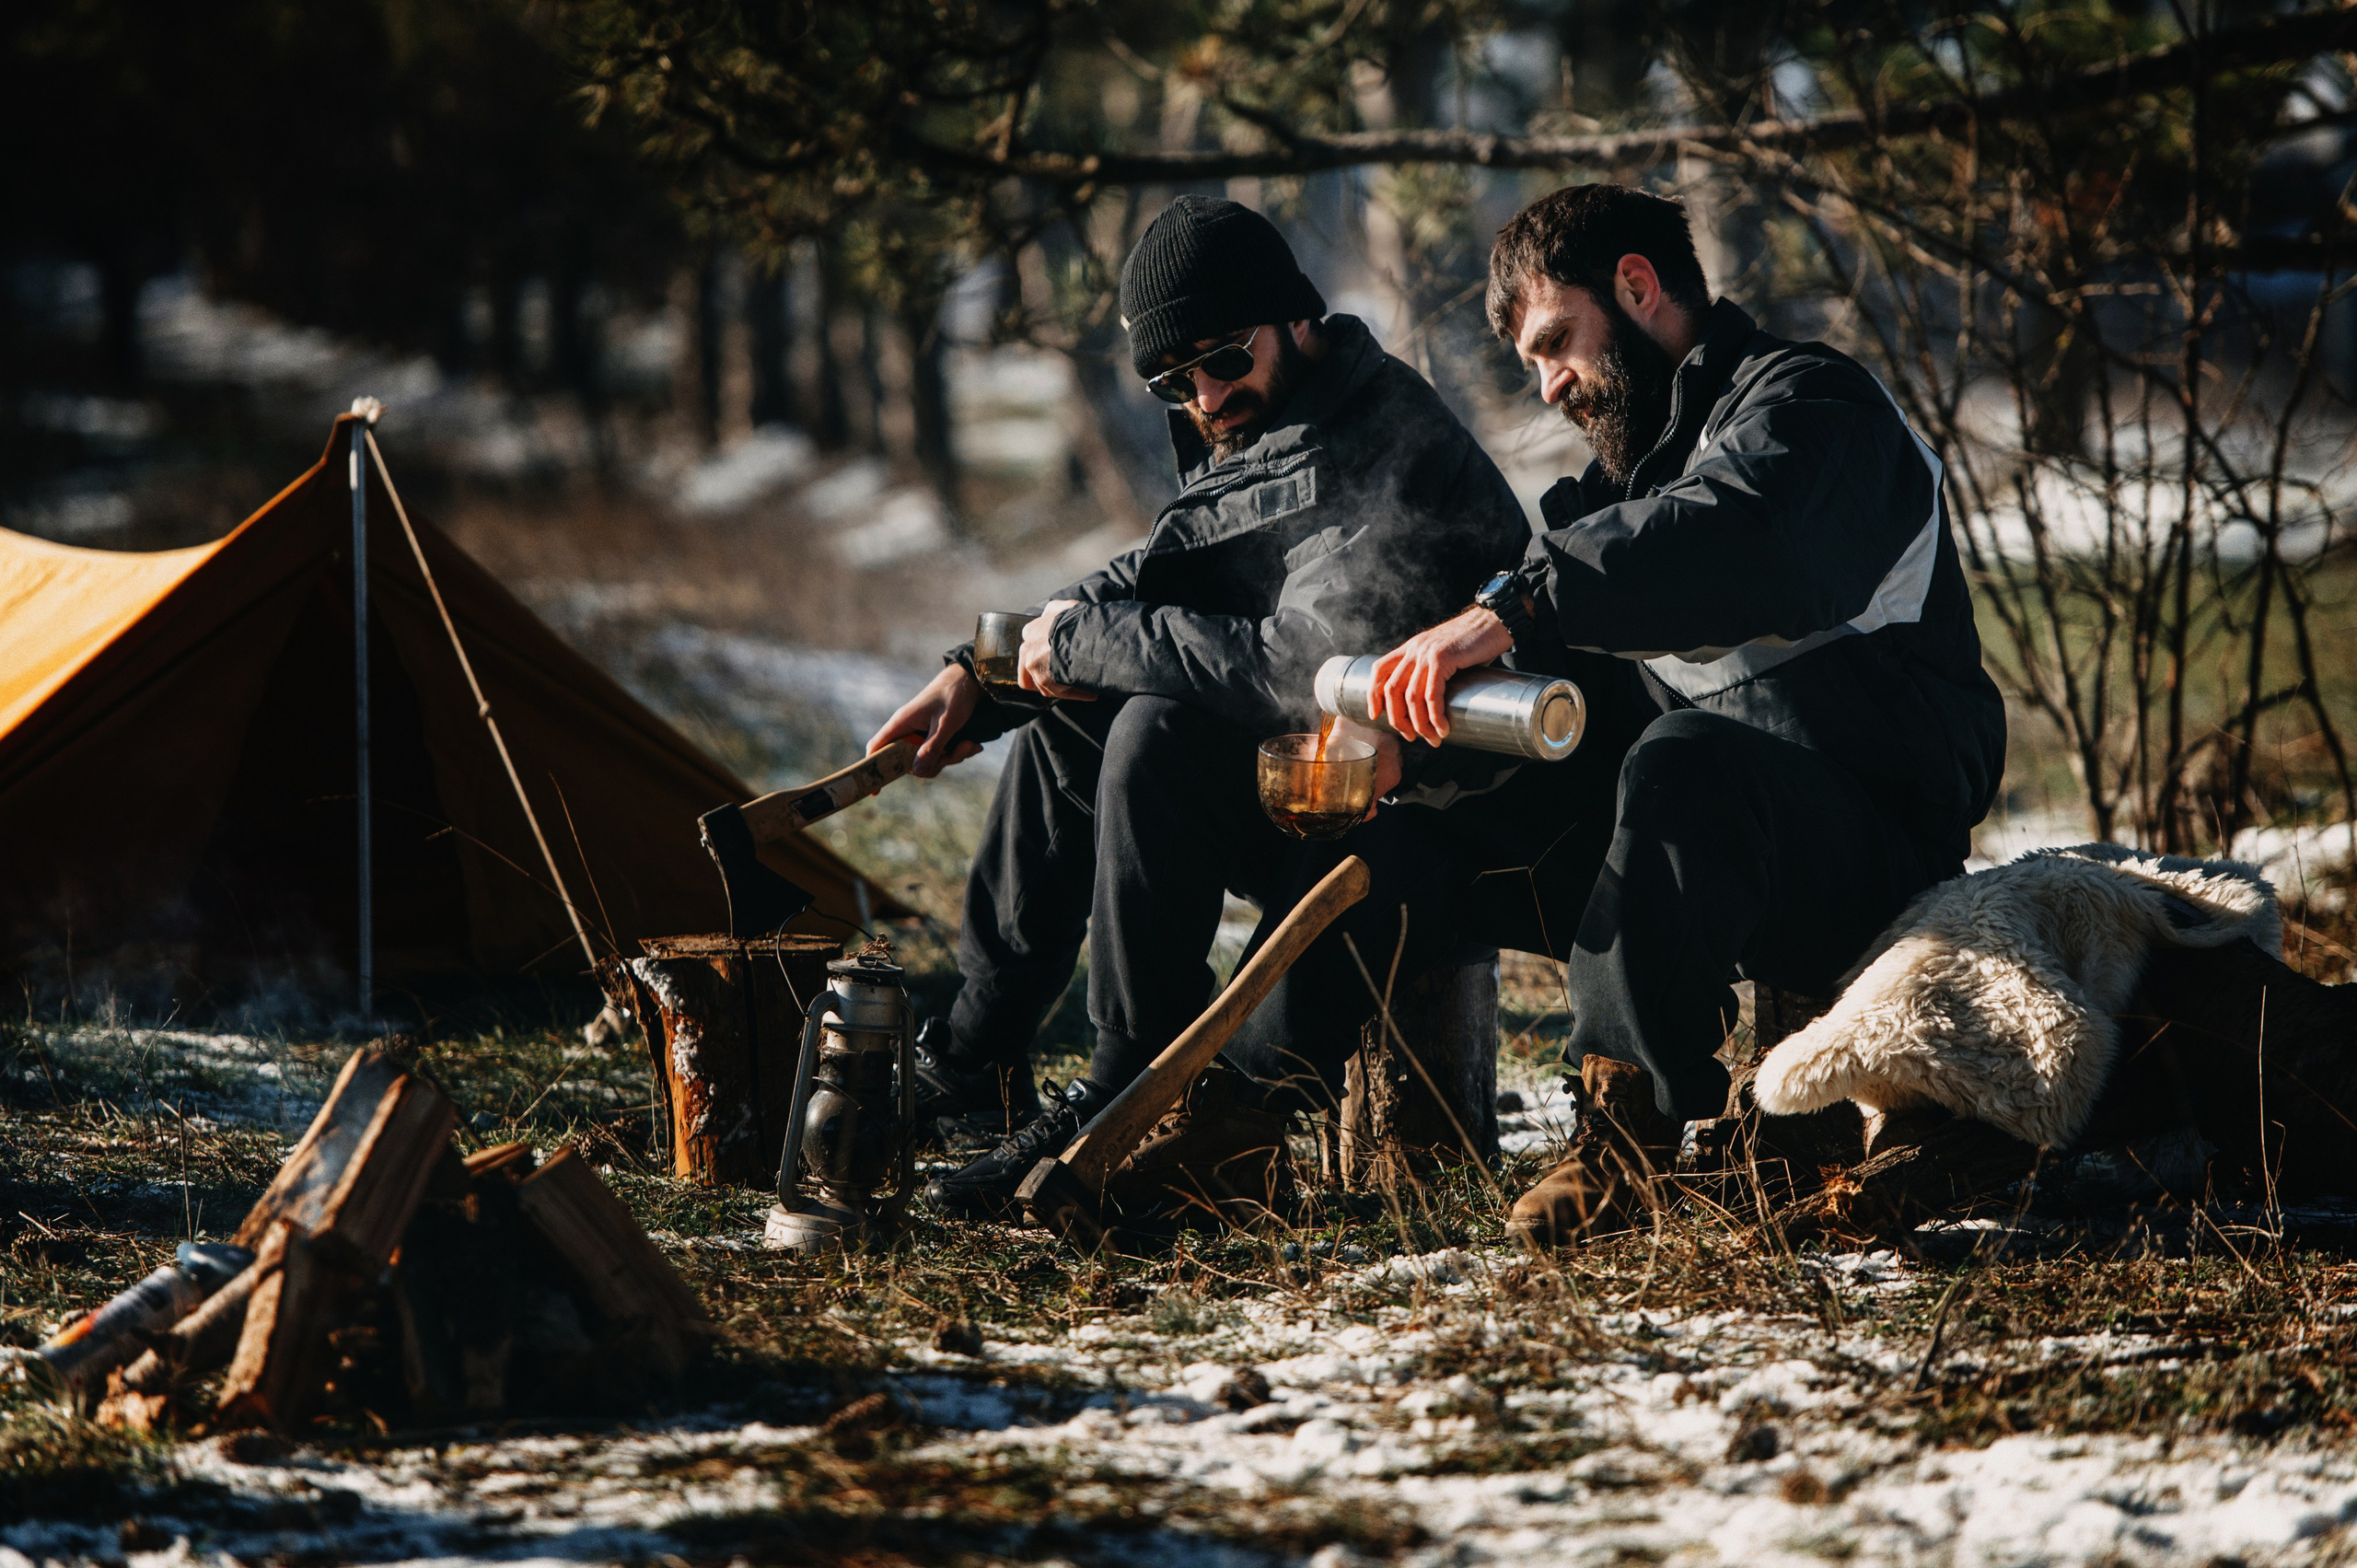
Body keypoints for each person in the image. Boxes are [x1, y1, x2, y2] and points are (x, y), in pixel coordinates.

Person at [1242, 182, 2006, 1247]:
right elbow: (1581, 691)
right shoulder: (1626, 487)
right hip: (1705, 862)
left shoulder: (1815, 408)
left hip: (1867, 853)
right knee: (1416, 826)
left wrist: (1511, 607)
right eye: (1530, 363)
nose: (1550, 385)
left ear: (1638, 287)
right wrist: (1410, 754)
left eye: (1557, 342)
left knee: (1683, 760)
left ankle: (1622, 1135)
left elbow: (1744, 541)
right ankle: (1233, 1115)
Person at [865, 195, 1528, 1219]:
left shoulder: (1380, 440)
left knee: (1157, 727)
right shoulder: (1285, 414)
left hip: (1416, 831)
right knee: (1071, 722)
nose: (1206, 395)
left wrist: (1091, 640)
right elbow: (1160, 571)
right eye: (1174, 380)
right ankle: (975, 1060)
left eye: (1223, 357)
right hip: (1312, 794)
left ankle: (1132, 1085)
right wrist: (982, 675)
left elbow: (1298, 664)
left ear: (1294, 316)